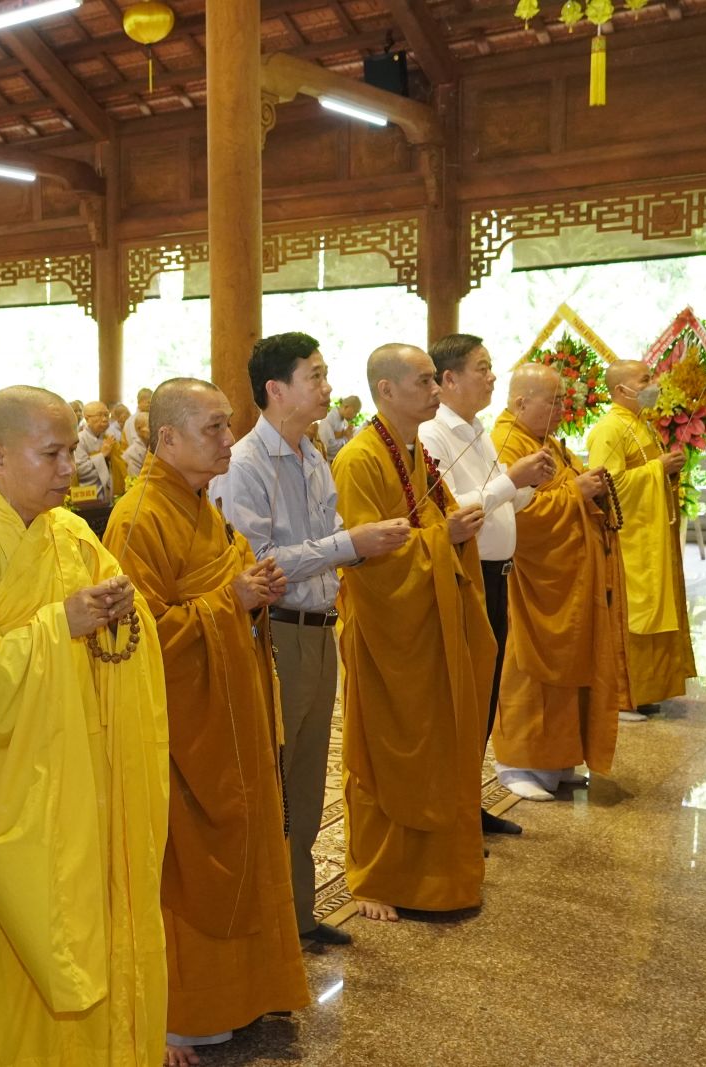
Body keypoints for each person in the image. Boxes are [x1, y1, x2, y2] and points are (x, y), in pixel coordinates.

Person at [0, 385, 168, 1067]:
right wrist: (63, 624)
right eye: (51, 453)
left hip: (81, 770)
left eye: (71, 451)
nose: (68, 468)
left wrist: (119, 609)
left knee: (88, 926)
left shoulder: (73, 533)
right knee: (8, 970)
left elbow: (122, 630)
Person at [108, 379, 307, 1065]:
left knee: (247, 839)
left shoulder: (199, 503)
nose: (228, 440)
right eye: (214, 428)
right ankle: (181, 1012)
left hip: (230, 712)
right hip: (181, 730)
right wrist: (231, 600)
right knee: (186, 866)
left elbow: (223, 583)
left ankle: (240, 992)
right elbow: (134, 638)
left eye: (228, 426)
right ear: (167, 438)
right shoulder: (138, 518)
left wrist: (249, 589)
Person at [211, 332, 410, 946]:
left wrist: (360, 543)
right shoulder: (245, 464)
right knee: (272, 779)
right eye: (315, 377)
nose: (327, 387)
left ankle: (297, 914)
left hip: (322, 629)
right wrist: (350, 544)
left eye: (325, 375)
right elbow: (259, 561)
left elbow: (328, 537)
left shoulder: (314, 454)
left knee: (305, 780)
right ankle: (265, 922)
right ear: (276, 389)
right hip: (277, 632)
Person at [332, 343, 495, 922]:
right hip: (389, 635)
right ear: (386, 390)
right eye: (424, 381)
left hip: (431, 626)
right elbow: (364, 558)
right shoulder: (358, 460)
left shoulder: (414, 451)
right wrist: (442, 539)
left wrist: (454, 530)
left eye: (435, 380)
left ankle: (442, 871)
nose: (435, 390)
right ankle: (378, 876)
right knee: (389, 752)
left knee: (439, 745)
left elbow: (432, 524)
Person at [419, 334, 553, 832]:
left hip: (496, 574)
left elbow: (502, 499)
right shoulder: (433, 433)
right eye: (482, 367)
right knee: (461, 696)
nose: (492, 376)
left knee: (485, 693)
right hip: (464, 574)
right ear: (449, 379)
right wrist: (511, 480)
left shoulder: (478, 430)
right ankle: (449, 810)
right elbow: (452, 509)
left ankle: (467, 802)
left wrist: (529, 483)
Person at [490, 363, 628, 798]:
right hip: (532, 582)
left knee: (571, 666)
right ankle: (518, 761)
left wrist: (585, 487)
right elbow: (517, 517)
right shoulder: (506, 442)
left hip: (566, 577)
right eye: (553, 402)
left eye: (563, 400)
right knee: (529, 670)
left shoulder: (545, 442)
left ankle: (558, 757)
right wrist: (576, 492)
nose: (561, 410)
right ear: (521, 402)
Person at [587, 359, 695, 716]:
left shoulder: (641, 423)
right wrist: (656, 469)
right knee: (634, 615)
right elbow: (608, 484)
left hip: (650, 537)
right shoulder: (609, 428)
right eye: (645, 380)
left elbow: (648, 473)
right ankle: (623, 695)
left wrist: (668, 470)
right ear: (621, 389)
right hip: (629, 542)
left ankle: (647, 691)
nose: (653, 385)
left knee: (656, 612)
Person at [75, 400, 126, 499]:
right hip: (87, 495)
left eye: (107, 415)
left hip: (109, 495)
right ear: (87, 418)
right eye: (100, 415)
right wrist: (102, 455)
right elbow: (79, 471)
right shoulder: (80, 439)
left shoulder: (109, 438)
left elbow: (120, 466)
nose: (105, 419)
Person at [316, 396, 361, 460]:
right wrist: (346, 438)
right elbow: (327, 447)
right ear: (346, 407)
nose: (355, 416)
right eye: (355, 412)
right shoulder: (328, 419)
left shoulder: (344, 422)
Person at [124, 411, 151, 479]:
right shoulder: (132, 453)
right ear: (139, 429)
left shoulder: (151, 446)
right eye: (149, 426)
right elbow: (136, 480)